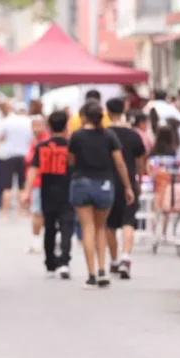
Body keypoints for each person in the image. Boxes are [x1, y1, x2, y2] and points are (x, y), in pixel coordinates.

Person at [68, 101, 134, 289]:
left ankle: (90, 275)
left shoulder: (77, 136)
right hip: (104, 184)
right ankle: (102, 270)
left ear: (83, 116)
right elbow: (120, 163)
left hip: (81, 183)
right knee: (100, 227)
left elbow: (71, 161)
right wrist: (128, 187)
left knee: (87, 228)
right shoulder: (109, 136)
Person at [22, 111, 74, 279]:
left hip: (47, 191)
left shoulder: (42, 146)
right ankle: (64, 262)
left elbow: (33, 169)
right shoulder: (71, 146)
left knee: (50, 228)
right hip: (68, 191)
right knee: (67, 228)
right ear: (66, 125)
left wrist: (26, 191)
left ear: (49, 126)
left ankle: (50, 263)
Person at [105, 98, 146, 279]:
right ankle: (126, 257)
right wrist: (139, 180)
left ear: (107, 112)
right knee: (128, 221)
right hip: (129, 182)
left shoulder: (105, 134)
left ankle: (113, 260)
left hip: (108, 182)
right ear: (124, 109)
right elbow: (140, 161)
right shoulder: (134, 135)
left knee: (110, 224)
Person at [0, 102, 33, 219]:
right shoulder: (29, 122)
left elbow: (1, 138)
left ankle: (5, 213)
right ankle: (20, 212)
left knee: (7, 186)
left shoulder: (8, 121)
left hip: (9, 155)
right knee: (22, 186)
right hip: (25, 155)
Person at [26, 114, 49, 253]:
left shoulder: (42, 143)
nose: (35, 129)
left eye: (38, 125)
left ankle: (37, 242)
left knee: (37, 212)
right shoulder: (35, 141)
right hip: (37, 182)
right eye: (33, 126)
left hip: (40, 182)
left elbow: (33, 164)